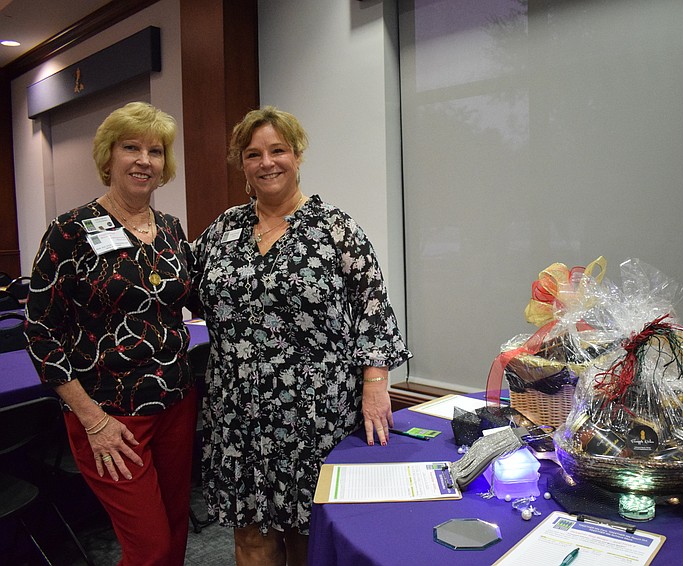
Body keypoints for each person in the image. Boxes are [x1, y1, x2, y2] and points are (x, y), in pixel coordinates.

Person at [192, 107, 411, 565]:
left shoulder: (335, 228)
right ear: (242, 164)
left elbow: (373, 308)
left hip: (315, 413)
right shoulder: (223, 229)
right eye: (253, 154)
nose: (267, 162)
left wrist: (375, 385)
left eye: (278, 150)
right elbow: (179, 289)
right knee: (250, 534)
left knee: (308, 537)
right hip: (238, 412)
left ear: (297, 156)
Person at [25, 102, 197, 565]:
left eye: (155, 151)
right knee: (149, 547)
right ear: (108, 156)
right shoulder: (70, 231)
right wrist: (92, 420)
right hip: (110, 415)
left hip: (176, 403)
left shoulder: (171, 229)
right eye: (131, 148)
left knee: (175, 531)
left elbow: (199, 299)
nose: (144, 160)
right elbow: (40, 332)